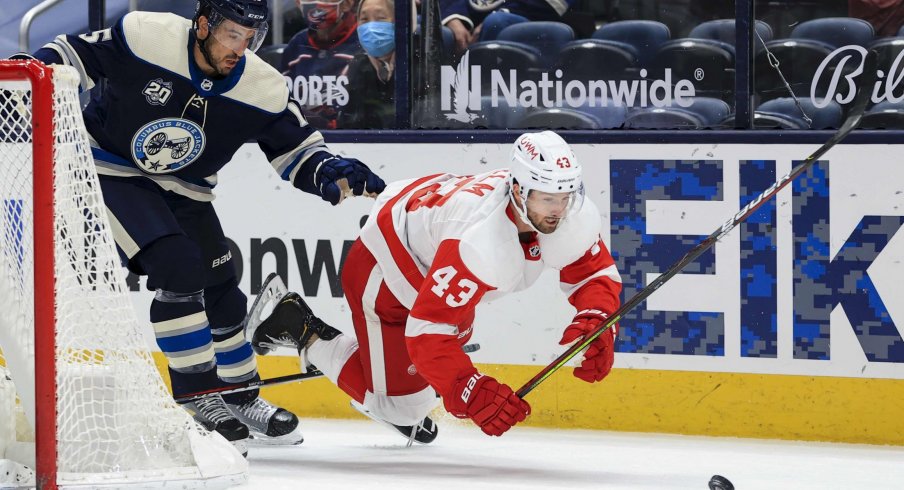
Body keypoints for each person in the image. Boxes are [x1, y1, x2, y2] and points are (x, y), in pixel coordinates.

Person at [13, 0, 385, 454]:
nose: (241, 47)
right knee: (179, 268)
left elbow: (298, 152)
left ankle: (240, 396)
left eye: (252, 37)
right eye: (233, 34)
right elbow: (72, 55)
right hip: (107, 170)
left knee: (223, 292)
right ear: (204, 25)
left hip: (187, 188)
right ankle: (198, 396)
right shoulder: (146, 37)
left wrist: (329, 169)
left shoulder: (262, 86)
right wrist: (28, 73)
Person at [248, 131, 622, 441]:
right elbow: (428, 331)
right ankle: (297, 325)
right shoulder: (480, 240)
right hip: (385, 267)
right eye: (547, 198)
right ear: (519, 192)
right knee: (401, 405)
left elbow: (593, 272)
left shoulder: (560, 212)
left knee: (446, 344)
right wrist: (469, 389)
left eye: (564, 196)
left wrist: (598, 317)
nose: (558, 209)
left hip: (427, 245)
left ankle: (395, 378)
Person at [281, 0, 362, 129]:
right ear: (298, 4)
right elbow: (280, 101)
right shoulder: (296, 45)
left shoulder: (363, 42)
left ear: (347, 3)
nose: (315, 3)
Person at [440, 0, 580, 53]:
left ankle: (481, 90)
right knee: (436, 30)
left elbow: (555, 4)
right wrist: (454, 18)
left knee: (496, 22)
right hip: (468, 18)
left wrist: (502, 11)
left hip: (530, 18)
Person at [338, 0, 396, 129]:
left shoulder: (418, 60)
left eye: (380, 18)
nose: (370, 27)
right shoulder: (358, 64)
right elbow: (350, 124)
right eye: (364, 19)